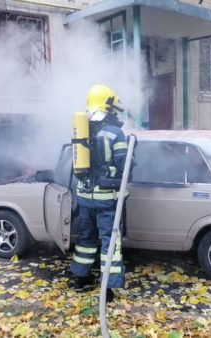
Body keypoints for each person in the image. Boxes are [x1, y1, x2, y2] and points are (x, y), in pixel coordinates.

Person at [70, 84, 128, 302]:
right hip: (106, 199)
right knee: (110, 242)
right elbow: (124, 164)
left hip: (85, 198)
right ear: (108, 105)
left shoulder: (82, 128)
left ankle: (80, 278)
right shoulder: (115, 133)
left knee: (86, 239)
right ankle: (107, 288)